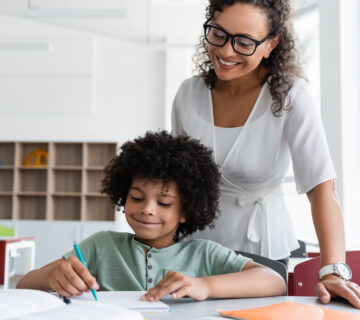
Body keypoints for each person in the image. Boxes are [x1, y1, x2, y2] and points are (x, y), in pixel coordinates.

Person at [171, 0, 360, 308]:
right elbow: (179, 185)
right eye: (218, 34)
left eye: (244, 42)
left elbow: (322, 191)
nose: (227, 51)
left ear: (271, 44)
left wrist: (332, 272)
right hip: (196, 249)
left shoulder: (291, 96)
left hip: (262, 254)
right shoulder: (188, 95)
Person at [16, 131, 286, 301]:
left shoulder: (204, 254)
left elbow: (274, 282)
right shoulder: (101, 246)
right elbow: (25, 284)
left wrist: (204, 285)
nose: (147, 209)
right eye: (137, 198)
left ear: (186, 211)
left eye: (164, 202)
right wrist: (54, 275)